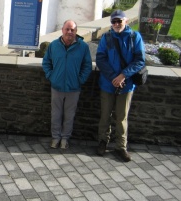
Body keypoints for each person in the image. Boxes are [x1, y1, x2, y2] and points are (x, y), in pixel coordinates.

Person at [96, 10, 146, 162]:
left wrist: (123, 75)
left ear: (126, 20)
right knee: (105, 115)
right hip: (108, 83)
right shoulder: (107, 37)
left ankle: (121, 147)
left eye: (119, 21)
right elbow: (100, 58)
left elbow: (139, 60)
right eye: (114, 22)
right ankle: (102, 142)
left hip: (127, 84)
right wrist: (113, 77)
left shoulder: (134, 37)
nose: (117, 24)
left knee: (122, 117)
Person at [42, 20, 92, 149]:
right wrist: (51, 76)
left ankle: (65, 139)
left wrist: (80, 80)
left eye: (72, 30)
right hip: (56, 86)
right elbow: (46, 62)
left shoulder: (83, 47)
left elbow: (87, 66)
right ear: (62, 30)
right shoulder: (53, 45)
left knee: (69, 115)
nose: (69, 32)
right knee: (56, 114)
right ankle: (55, 138)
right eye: (67, 29)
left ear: (76, 32)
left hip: (73, 88)